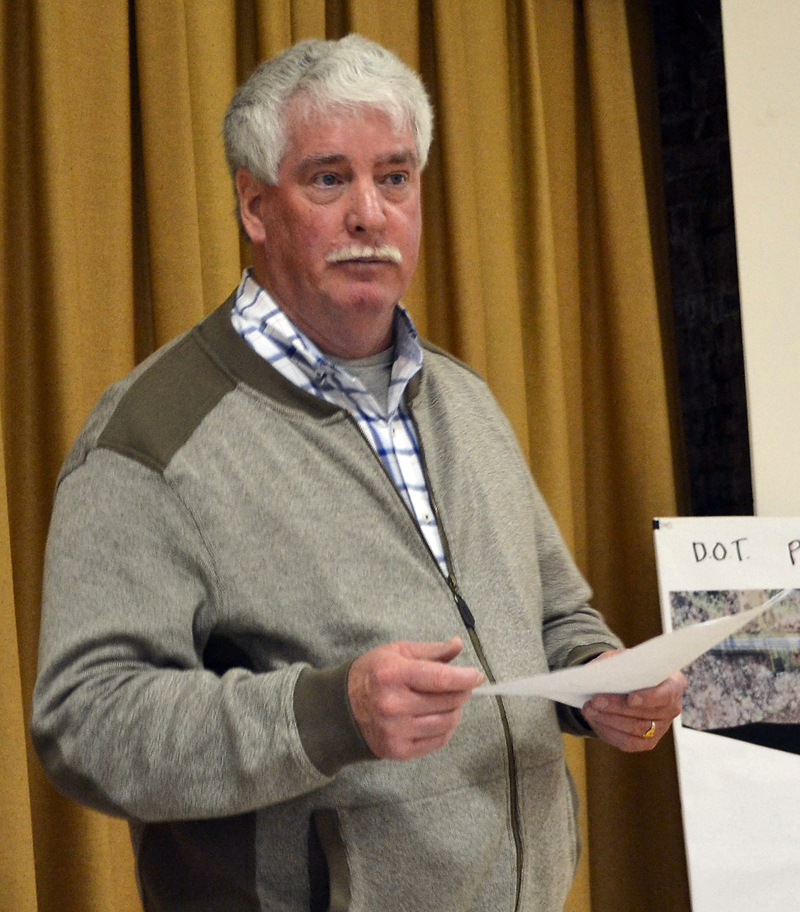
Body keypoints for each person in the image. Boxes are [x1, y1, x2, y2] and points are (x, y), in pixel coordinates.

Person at [32, 34, 685, 912]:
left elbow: (557, 616)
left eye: (396, 177)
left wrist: (600, 679)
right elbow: (87, 722)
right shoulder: (151, 437)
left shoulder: (463, 398)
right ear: (255, 205)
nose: (370, 213)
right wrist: (328, 712)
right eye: (330, 179)